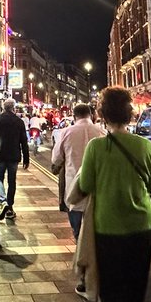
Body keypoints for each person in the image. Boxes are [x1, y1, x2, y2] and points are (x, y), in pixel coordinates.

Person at [69, 87, 151, 302]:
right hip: (142, 228)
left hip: (108, 229)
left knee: (111, 295)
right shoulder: (145, 146)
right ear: (130, 113)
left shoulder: (97, 149)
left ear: (103, 115)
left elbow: (84, 185)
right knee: (135, 290)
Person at [53, 103, 106, 243]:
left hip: (74, 184)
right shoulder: (101, 132)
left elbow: (56, 158)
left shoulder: (66, 132)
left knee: (76, 218)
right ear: (91, 114)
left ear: (74, 115)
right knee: (95, 224)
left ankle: (78, 241)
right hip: (97, 185)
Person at [0, 98, 29, 220]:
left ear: (3, 107)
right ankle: (10, 207)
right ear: (14, 108)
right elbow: (24, 141)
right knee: (12, 181)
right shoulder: (19, 121)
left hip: (0, 154)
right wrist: (26, 158)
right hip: (14, 155)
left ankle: (3, 201)